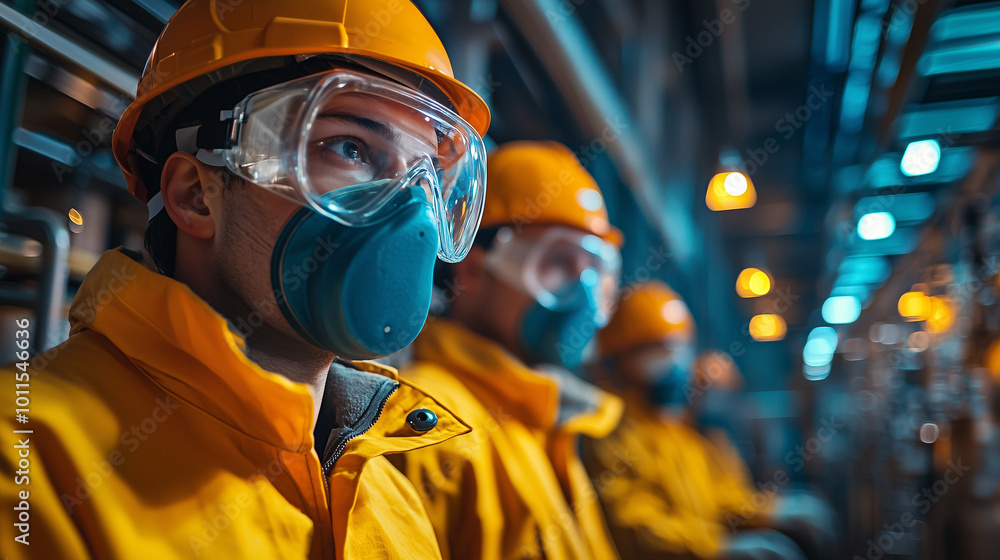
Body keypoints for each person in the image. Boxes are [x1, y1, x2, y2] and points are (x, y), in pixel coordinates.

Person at [0, 1, 491, 558]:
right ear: (195, 194)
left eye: (426, 178)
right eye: (351, 149)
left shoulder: (392, 502)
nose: (412, 212)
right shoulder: (31, 462)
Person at [388, 140, 625, 559]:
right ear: (475, 269)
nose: (584, 295)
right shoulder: (432, 425)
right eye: (557, 262)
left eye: (597, 271)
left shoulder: (549, 424)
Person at [582, 281, 817, 560]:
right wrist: (715, 547)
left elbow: (717, 498)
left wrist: (771, 511)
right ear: (617, 358)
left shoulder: (678, 427)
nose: (673, 363)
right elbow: (634, 525)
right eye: (655, 351)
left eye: (676, 349)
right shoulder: (608, 431)